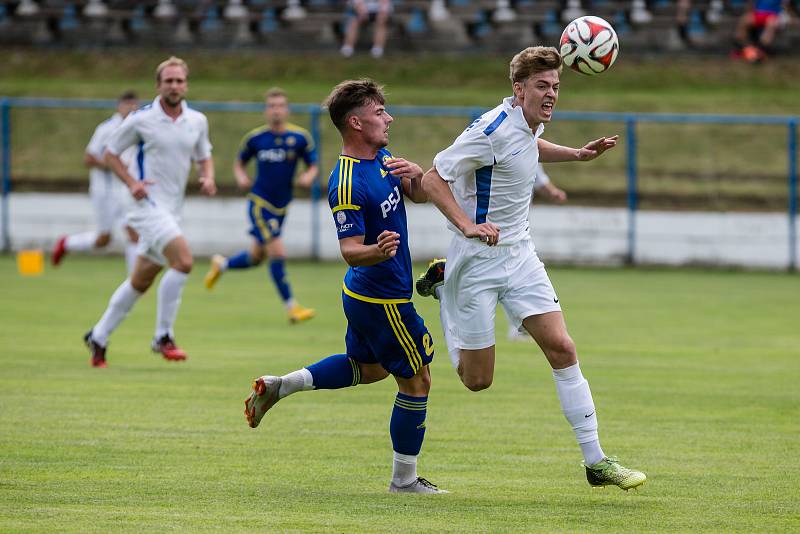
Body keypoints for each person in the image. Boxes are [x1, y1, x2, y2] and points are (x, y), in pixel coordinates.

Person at [416, 46, 646, 491]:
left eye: (556, 86)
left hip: (521, 255)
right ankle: (444, 292)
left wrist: (577, 155)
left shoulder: (526, 126)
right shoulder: (489, 128)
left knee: (562, 347)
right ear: (518, 89)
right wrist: (467, 226)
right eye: (542, 86)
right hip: (476, 261)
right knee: (477, 380)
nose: (551, 94)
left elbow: (529, 147)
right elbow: (432, 179)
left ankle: (596, 462)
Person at [244, 79, 446, 494]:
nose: (388, 118)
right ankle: (404, 482)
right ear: (355, 122)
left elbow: (417, 194)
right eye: (379, 113)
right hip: (382, 297)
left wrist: (417, 176)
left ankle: (284, 384)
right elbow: (350, 250)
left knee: (368, 369)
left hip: (364, 295)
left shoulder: (383, 156)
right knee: (417, 381)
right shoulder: (348, 181)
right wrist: (378, 250)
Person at [83, 56, 216, 368]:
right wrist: (131, 183)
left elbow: (204, 155)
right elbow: (111, 153)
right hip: (145, 206)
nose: (174, 85)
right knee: (183, 261)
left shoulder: (197, 120)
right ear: (158, 86)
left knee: (140, 281)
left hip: (172, 209)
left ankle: (98, 336)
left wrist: (207, 176)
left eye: (179, 80)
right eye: (168, 81)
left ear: (186, 84)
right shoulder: (141, 119)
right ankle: (163, 336)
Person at [203, 88, 318, 324]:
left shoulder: (300, 138)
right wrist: (241, 177)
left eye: (280, 106)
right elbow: (239, 163)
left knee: (256, 256)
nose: (276, 110)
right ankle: (292, 308)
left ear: (287, 110)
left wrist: (309, 176)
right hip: (260, 203)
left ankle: (222, 264)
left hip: (282, 205)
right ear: (266, 110)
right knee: (278, 252)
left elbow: (313, 165)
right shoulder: (256, 139)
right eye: (272, 106)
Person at [51, 91, 141, 273]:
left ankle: (135, 280)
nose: (131, 108)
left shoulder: (137, 127)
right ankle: (67, 243)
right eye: (127, 105)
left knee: (134, 234)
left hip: (125, 189)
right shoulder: (106, 129)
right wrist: (114, 165)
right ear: (118, 106)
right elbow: (89, 158)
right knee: (103, 239)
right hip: (104, 191)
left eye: (134, 105)